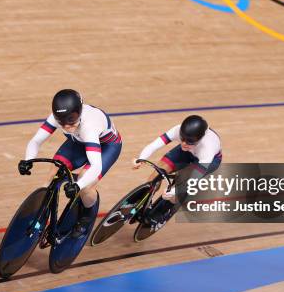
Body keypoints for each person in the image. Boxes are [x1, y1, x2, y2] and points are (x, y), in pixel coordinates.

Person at [19, 89, 122, 237]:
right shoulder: (58, 117)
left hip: (107, 146)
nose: (67, 126)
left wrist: (78, 185)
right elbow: (36, 140)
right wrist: (28, 159)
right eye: (61, 121)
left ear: (79, 112)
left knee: (85, 184)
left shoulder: (89, 126)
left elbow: (96, 166)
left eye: (71, 119)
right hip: (78, 143)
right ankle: (40, 213)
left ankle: (87, 214)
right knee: (52, 173)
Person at [134, 115, 222, 228]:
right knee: (157, 173)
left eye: (189, 141)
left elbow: (192, 180)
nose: (184, 143)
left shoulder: (207, 148)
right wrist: (141, 158)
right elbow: (154, 145)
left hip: (209, 161)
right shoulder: (178, 130)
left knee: (181, 184)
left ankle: (163, 211)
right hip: (187, 152)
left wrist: (176, 191)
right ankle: (143, 201)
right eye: (183, 138)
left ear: (199, 139)